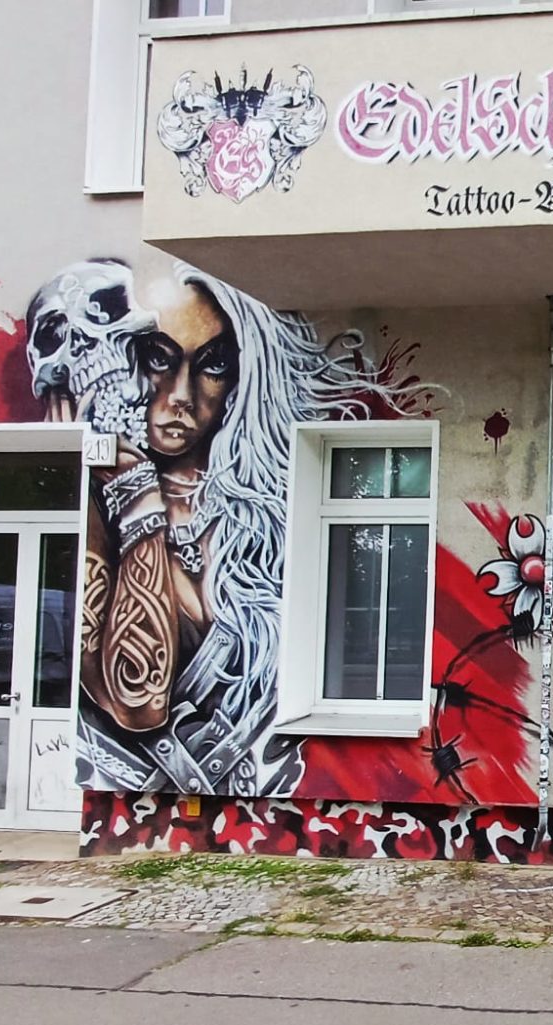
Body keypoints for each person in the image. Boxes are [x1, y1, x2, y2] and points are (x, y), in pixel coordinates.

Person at [73, 264, 368, 796]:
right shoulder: (99, 495)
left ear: (241, 378)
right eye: (159, 357)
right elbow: (139, 703)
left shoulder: (269, 505)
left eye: (212, 364)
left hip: (276, 792)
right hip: (141, 797)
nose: (181, 395)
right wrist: (139, 501)